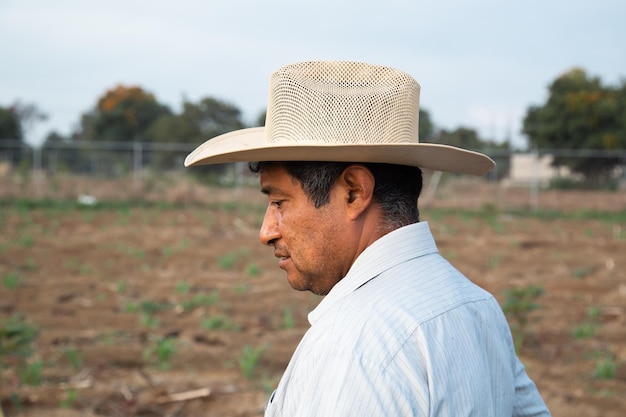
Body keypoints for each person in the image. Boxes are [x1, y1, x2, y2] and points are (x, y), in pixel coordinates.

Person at [185, 61, 551, 416]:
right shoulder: (475, 305)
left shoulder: (355, 348)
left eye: (279, 202)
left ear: (354, 193)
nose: (267, 231)